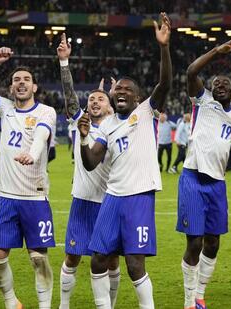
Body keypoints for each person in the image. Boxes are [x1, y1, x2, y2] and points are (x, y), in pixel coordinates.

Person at [79, 12, 172, 309]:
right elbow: (92, 161)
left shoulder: (145, 111)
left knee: (134, 264)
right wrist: (83, 138)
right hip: (113, 197)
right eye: (116, 88)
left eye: (126, 89)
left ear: (137, 96)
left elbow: (166, 83)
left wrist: (164, 47)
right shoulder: (106, 125)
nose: (119, 91)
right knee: (97, 260)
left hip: (139, 197)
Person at [0, 47, 57, 309]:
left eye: (26, 80)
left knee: (39, 258)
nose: (21, 83)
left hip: (35, 197)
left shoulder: (46, 111)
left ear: (35, 87)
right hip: (6, 196)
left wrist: (33, 153)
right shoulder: (4, 108)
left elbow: (41, 135)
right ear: (11, 88)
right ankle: (11, 302)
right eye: (16, 79)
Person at [176, 36, 231, 309]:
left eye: (225, 84)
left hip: (217, 182)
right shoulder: (202, 101)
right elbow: (191, 71)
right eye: (216, 84)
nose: (220, 86)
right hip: (192, 177)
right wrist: (217, 50)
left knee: (213, 243)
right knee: (194, 243)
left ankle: (200, 294)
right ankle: (189, 300)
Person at [56, 33, 121, 309]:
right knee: (72, 257)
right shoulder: (79, 122)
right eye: (92, 98)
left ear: (110, 106)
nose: (94, 101)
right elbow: (71, 97)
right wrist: (64, 62)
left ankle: (110, 304)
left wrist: (116, 96)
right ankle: (63, 305)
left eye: (100, 99)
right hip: (82, 201)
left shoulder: (119, 125)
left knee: (112, 259)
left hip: (110, 202)